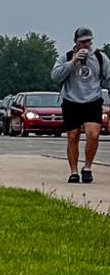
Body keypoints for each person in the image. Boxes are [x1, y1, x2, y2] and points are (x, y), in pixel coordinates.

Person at [52, 26, 109, 183]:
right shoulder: (66, 57)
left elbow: (108, 78)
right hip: (72, 101)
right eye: (82, 42)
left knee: (93, 134)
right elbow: (55, 76)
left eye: (88, 41)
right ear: (75, 42)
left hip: (93, 101)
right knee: (73, 136)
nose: (86, 45)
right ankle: (74, 171)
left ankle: (88, 167)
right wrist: (74, 61)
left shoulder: (100, 57)